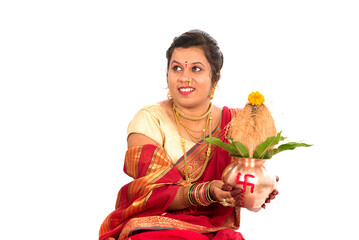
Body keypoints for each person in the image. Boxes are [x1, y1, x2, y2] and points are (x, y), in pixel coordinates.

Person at [99, 29, 278, 240]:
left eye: (196, 69)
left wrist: (256, 193)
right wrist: (207, 192)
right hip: (155, 227)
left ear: (215, 77)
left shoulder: (237, 123)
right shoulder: (150, 120)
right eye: (176, 68)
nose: (184, 78)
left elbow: (243, 185)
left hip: (212, 230)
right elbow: (150, 195)